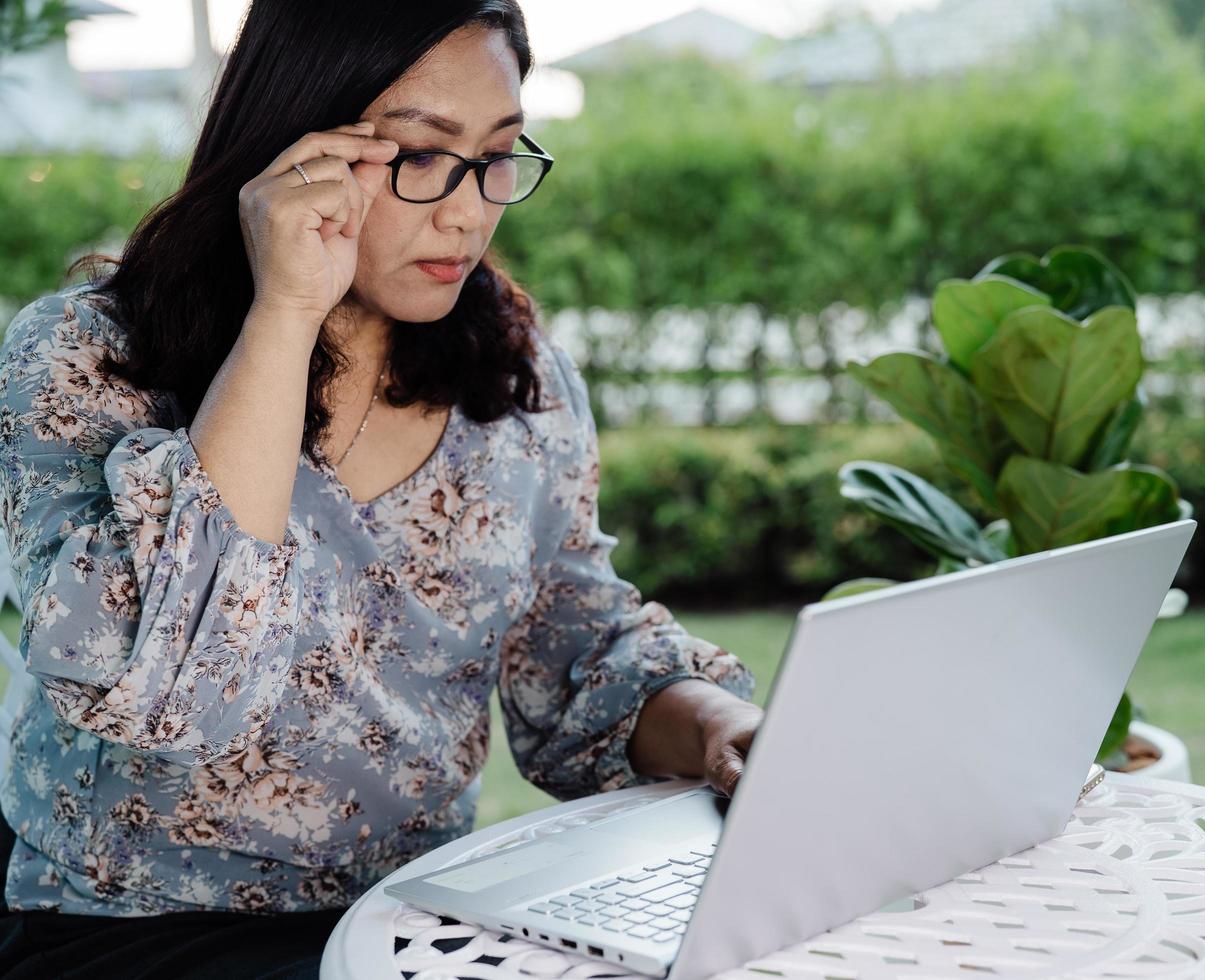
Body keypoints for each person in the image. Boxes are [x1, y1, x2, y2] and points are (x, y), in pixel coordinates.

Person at [0, 1, 762, 975]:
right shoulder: (86, 356)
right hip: (138, 930)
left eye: (496, 154)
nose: (468, 208)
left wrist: (719, 726)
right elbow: (163, 690)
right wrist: (286, 307)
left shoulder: (517, 378)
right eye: (420, 154)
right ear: (291, 146)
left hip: (423, 922)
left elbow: (575, 644)